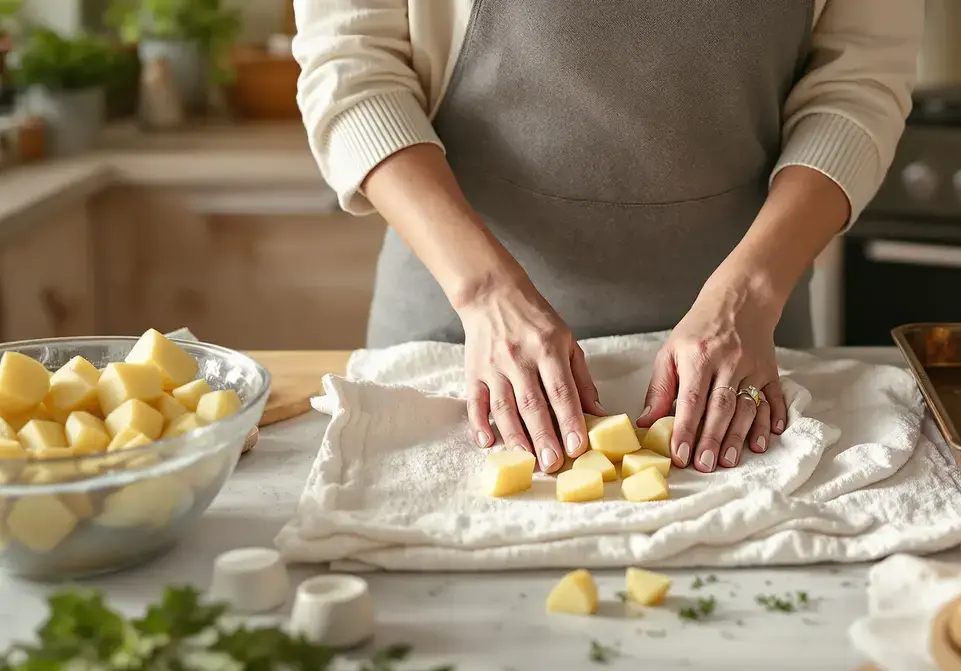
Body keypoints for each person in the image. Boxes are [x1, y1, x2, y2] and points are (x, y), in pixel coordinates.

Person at [293, 0, 921, 476]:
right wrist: (486, 292)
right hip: (460, 322)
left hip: (749, 337)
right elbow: (354, 71)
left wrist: (749, 295)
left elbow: (855, 88)